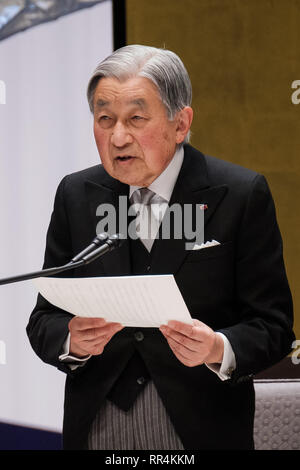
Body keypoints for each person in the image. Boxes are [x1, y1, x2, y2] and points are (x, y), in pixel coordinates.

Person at [26, 45, 295, 450]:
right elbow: (44, 319)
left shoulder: (240, 195)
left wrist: (218, 347)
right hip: (99, 421)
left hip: (200, 422)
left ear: (180, 123)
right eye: (104, 119)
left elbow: (273, 327)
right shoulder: (77, 195)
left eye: (136, 118)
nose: (118, 137)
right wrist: (70, 340)